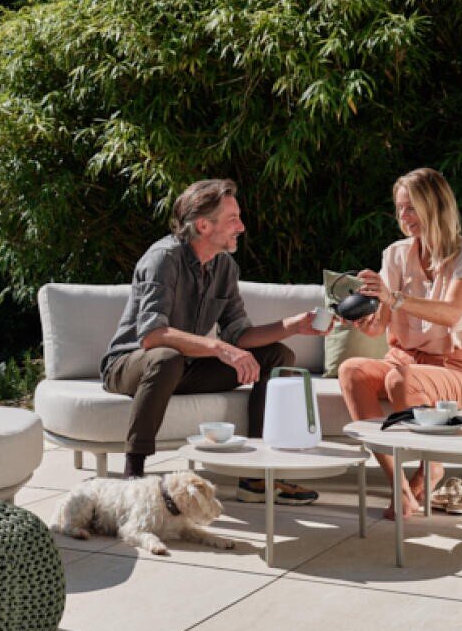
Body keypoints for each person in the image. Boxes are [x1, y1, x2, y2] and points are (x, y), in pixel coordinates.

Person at [101, 178, 330, 501]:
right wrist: (221, 348)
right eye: (233, 218)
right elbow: (153, 336)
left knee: (277, 356)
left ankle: (255, 476)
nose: (242, 226)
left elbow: (240, 333)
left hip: (185, 368)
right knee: (167, 358)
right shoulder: (163, 259)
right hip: (131, 365)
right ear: (204, 225)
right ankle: (133, 476)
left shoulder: (225, 267)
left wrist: (293, 325)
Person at [339, 167, 462, 517]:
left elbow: (452, 313)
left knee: (402, 378)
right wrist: (363, 320)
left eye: (411, 208)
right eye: (399, 209)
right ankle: (399, 485)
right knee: (352, 371)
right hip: (403, 358)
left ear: (435, 207)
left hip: (457, 366)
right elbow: (380, 327)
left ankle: (431, 466)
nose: (404, 218)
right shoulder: (395, 254)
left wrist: (393, 298)